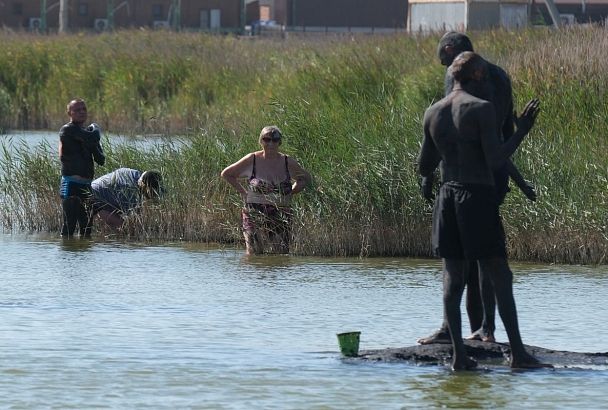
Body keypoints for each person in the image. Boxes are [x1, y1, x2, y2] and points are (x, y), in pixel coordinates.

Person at [417, 51, 551, 370]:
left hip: (447, 196)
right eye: (486, 78)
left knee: (453, 276)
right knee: (499, 274)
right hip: (476, 195)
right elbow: (495, 159)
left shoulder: (433, 112)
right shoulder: (482, 109)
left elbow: (424, 165)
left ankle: (459, 358)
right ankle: (518, 354)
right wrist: (521, 130)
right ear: (477, 76)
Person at [221, 126, 311, 255]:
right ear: (261, 141)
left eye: (275, 140)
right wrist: (243, 193)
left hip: (281, 212)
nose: (270, 143)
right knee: (254, 252)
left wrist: (292, 191)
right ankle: (254, 274)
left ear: (280, 142)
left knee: (281, 254)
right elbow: (227, 174)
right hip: (254, 212)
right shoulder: (252, 159)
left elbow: (305, 178)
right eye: (266, 139)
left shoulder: (287, 161)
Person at [59, 98, 105, 237]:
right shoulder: (68, 130)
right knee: (69, 225)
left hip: (86, 186)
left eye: (83, 109)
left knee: (86, 227)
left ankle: (83, 255)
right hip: (71, 184)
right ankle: (67, 252)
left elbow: (101, 159)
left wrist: (93, 145)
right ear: (69, 113)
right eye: (77, 110)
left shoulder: (88, 135)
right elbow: (94, 135)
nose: (81, 112)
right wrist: (95, 128)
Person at [91, 168, 163, 229]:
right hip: (93, 202)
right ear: (144, 185)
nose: (153, 195)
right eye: (151, 191)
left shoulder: (136, 175)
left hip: (104, 197)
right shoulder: (129, 190)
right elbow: (134, 219)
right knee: (123, 226)